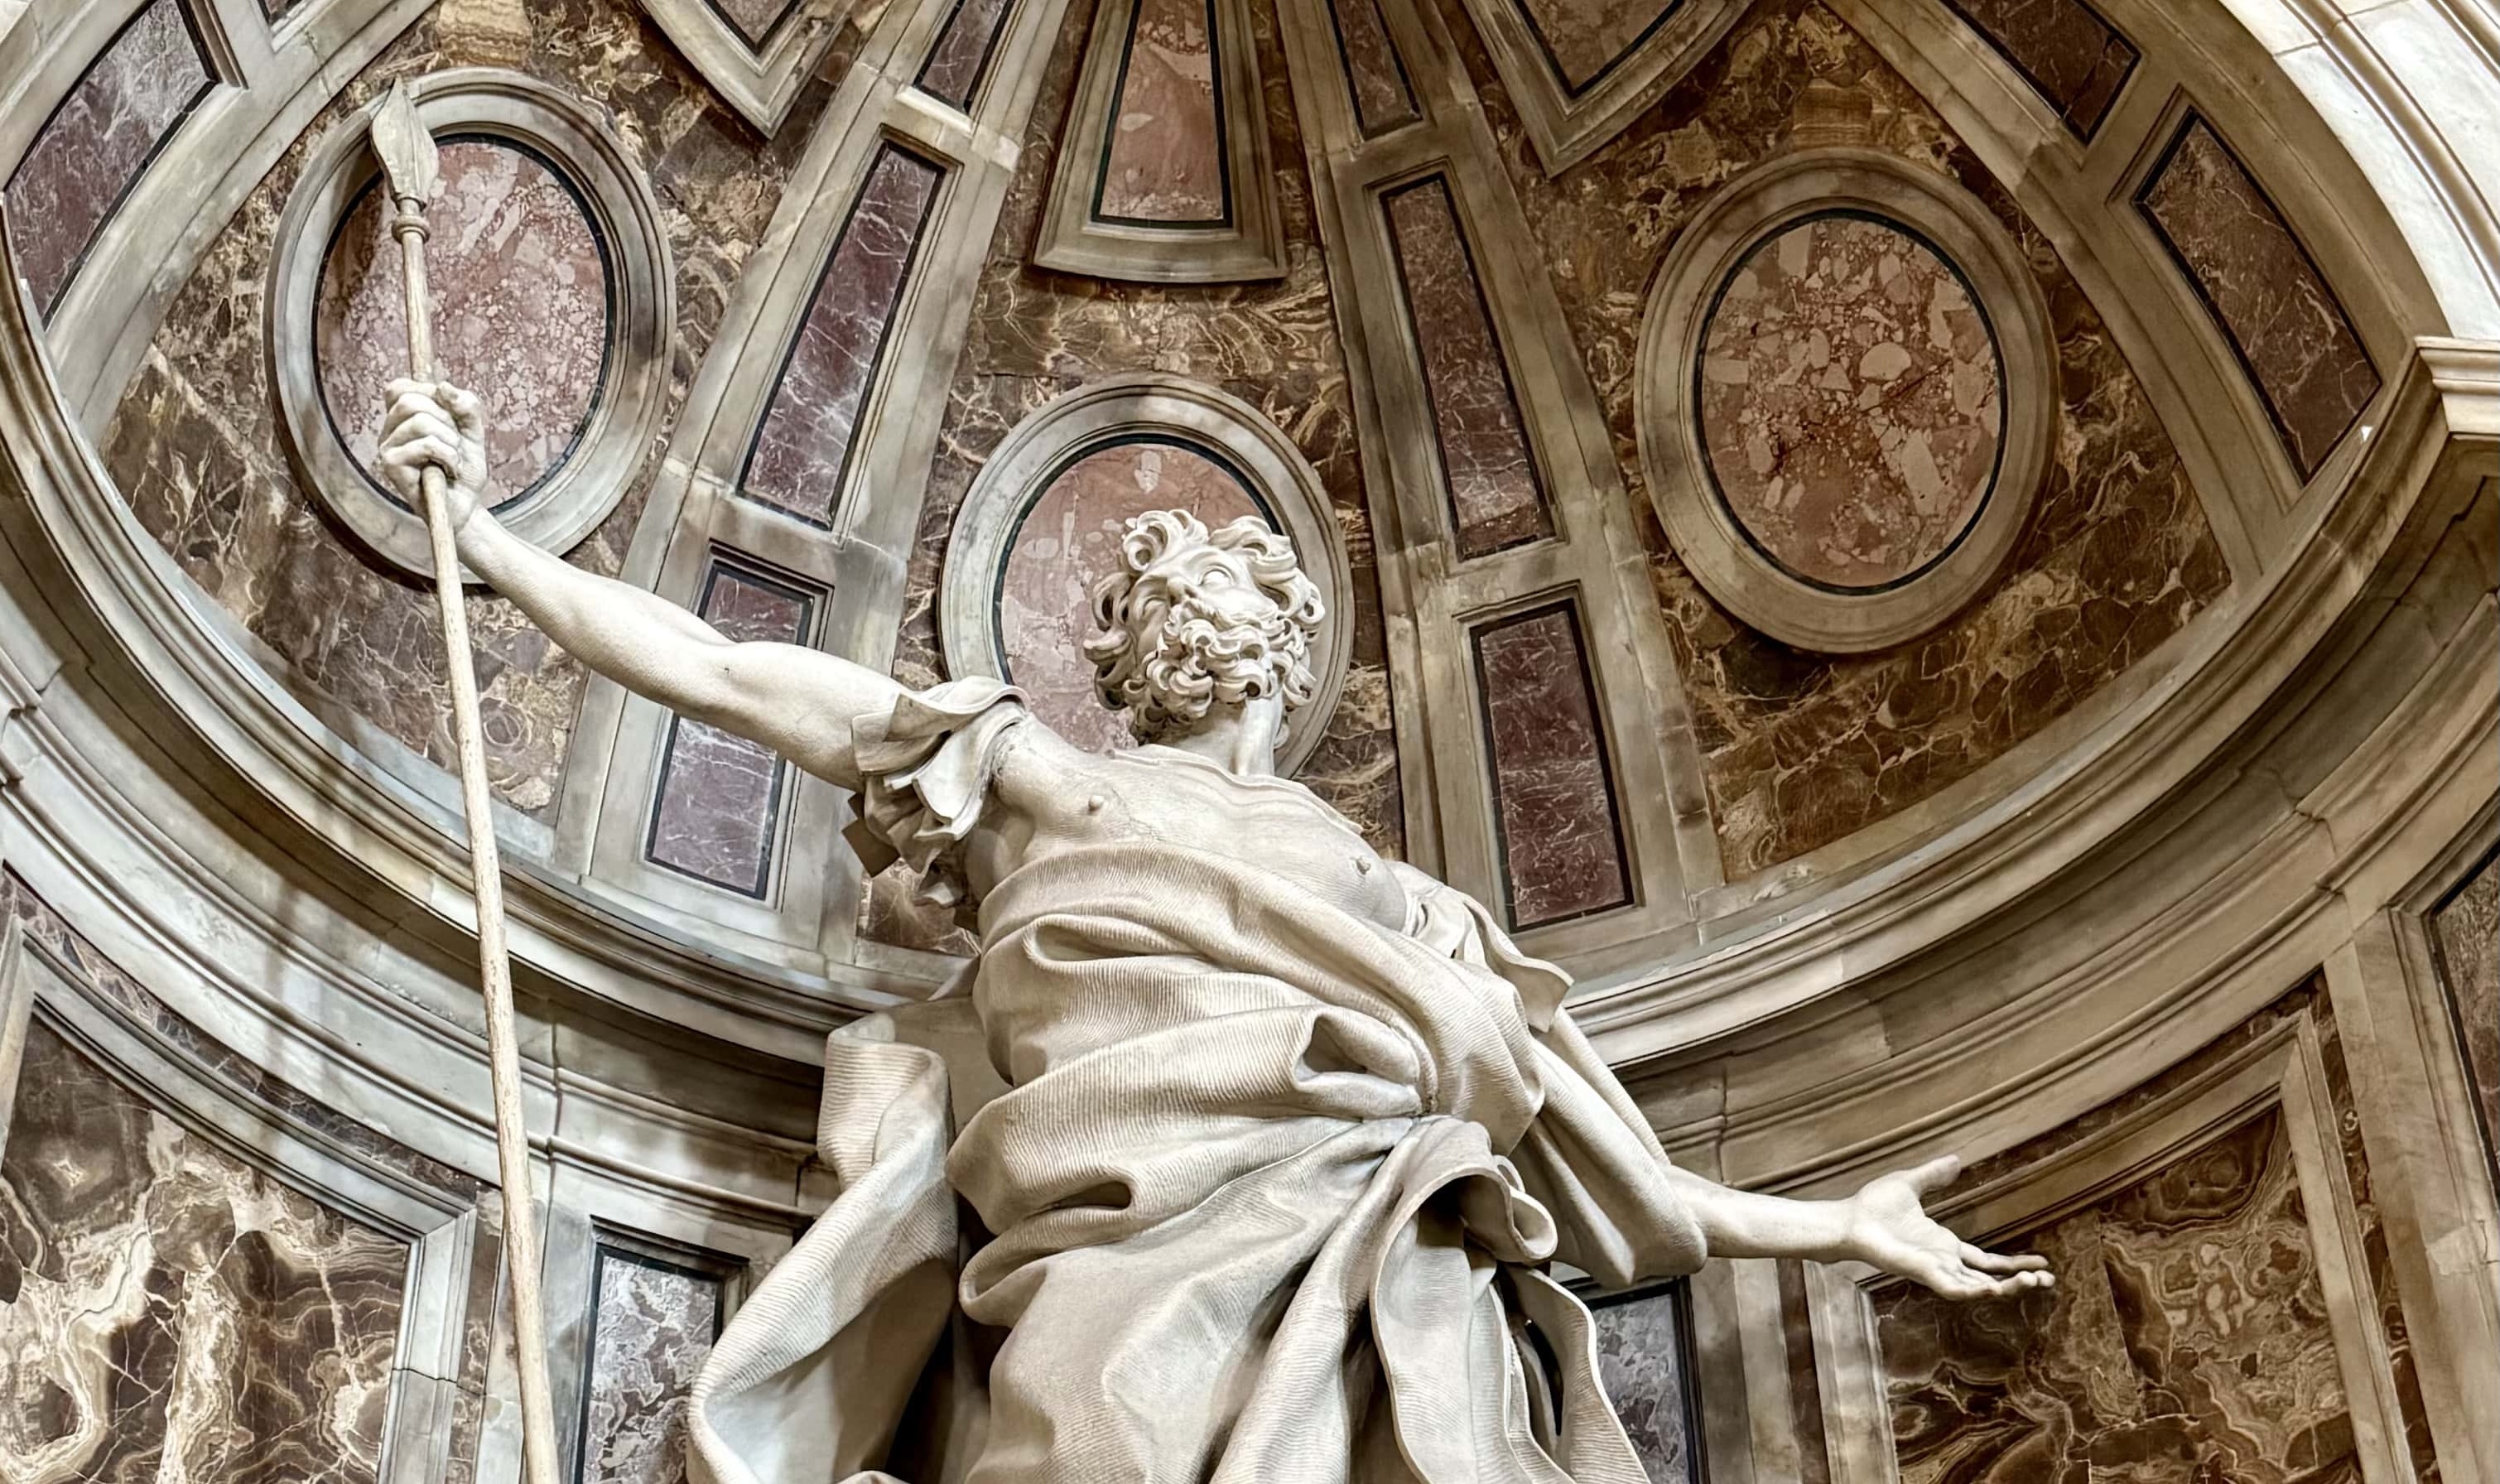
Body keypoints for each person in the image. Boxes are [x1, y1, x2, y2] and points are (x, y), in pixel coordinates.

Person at [378, 379, 2050, 1484]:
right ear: (1121, 670)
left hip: (1390, 1271)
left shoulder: (1399, 901)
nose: (1188, 629)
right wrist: (492, 543)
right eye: (1157, 618)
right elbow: (748, 678)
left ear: (1286, 654)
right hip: (1110, 1278)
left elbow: (1606, 1178)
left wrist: (1840, 1220)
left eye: (1222, 609)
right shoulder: (1032, 775)